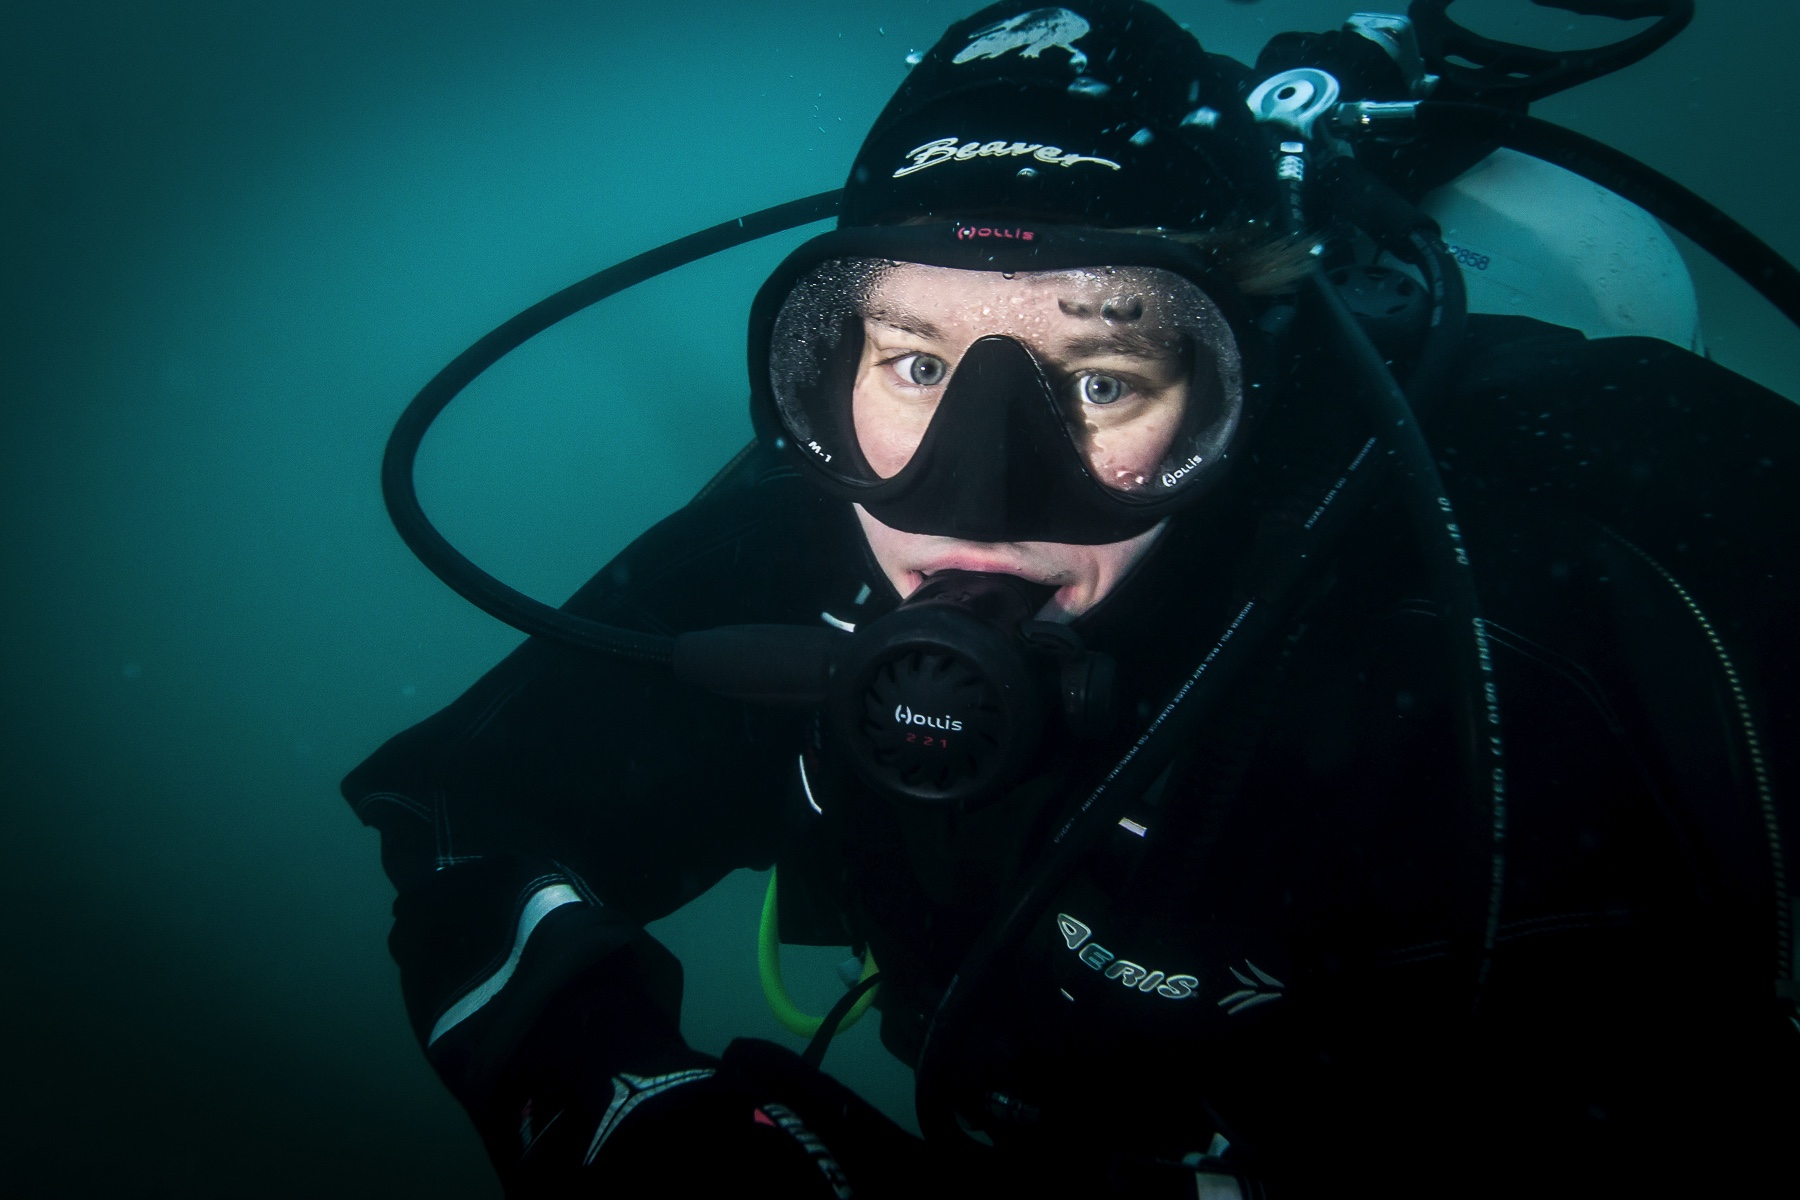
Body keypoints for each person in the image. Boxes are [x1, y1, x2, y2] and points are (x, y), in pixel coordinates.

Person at [344, 2, 1800, 1195]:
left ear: (1256, 377)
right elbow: (472, 813)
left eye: (1100, 378)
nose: (968, 499)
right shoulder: (803, 529)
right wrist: (623, 1114)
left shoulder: (1562, 547)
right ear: (829, 360)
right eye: (915, 362)